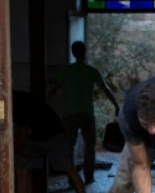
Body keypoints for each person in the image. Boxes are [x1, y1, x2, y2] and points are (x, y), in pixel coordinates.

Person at [12, 90, 93, 193]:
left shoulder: (17, 103)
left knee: (70, 171)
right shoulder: (15, 98)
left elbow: (23, 134)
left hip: (54, 135)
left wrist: (11, 152)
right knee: (22, 170)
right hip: (34, 137)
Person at [47, 41, 120, 184]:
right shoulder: (92, 71)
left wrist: (45, 103)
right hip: (87, 113)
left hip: (70, 114)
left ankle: (71, 178)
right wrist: (116, 105)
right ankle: (89, 176)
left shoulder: (66, 71)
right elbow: (106, 89)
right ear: (85, 52)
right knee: (89, 146)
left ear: (73, 53)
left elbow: (55, 90)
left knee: (69, 147)